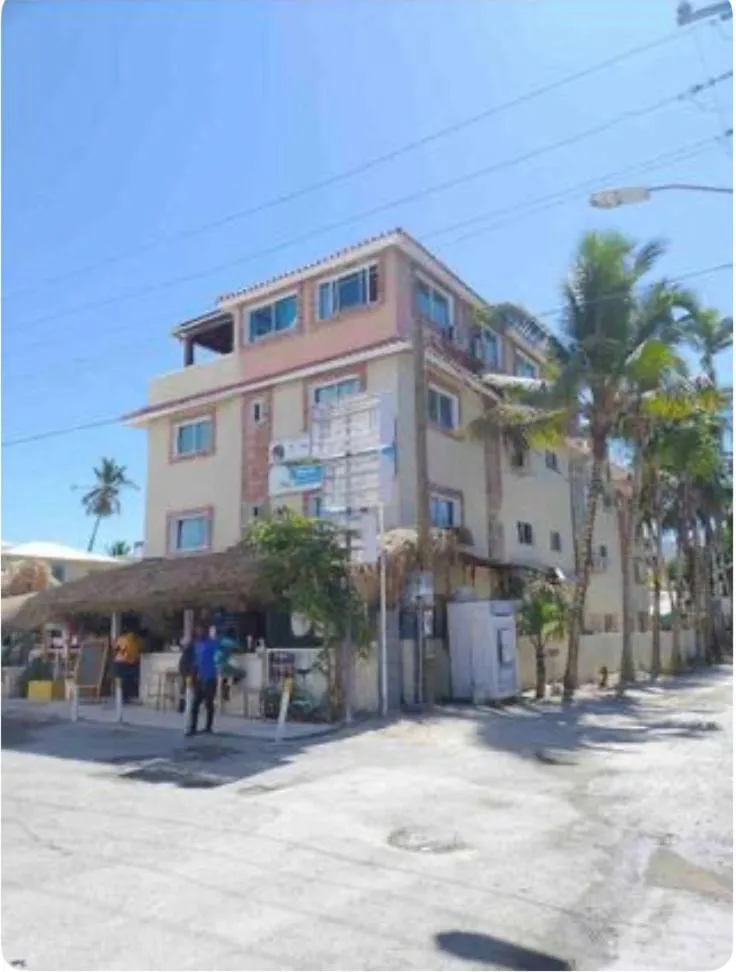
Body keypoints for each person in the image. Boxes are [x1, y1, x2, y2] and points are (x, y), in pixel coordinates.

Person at [186, 625, 220, 736]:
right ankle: (193, 727)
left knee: (208, 703)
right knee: (195, 704)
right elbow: (196, 663)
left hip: (210, 677)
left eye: (201, 631)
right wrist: (192, 676)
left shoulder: (212, 644)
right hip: (200, 678)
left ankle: (208, 727)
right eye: (198, 632)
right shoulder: (197, 645)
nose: (199, 634)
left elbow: (218, 656)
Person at [113, 625, 142, 703]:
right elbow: (132, 651)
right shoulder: (133, 640)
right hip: (127, 662)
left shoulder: (121, 638)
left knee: (122, 681)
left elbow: (116, 648)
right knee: (128, 680)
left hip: (119, 661)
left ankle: (121, 697)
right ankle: (126, 697)